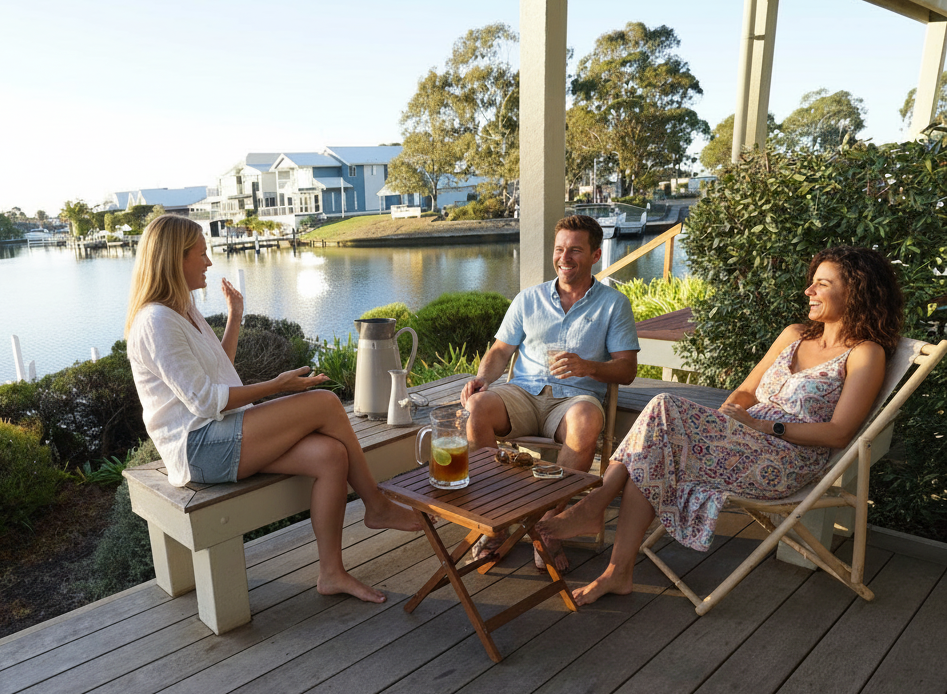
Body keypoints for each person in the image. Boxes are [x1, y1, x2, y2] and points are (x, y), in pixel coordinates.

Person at [540, 245, 905, 606]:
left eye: (822, 284)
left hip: (788, 460)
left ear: (856, 292)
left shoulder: (864, 354)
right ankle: (616, 571)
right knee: (657, 445)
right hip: (742, 439)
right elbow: (746, 391)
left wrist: (764, 429)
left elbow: (840, 432)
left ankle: (597, 505)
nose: (809, 290)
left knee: (664, 410)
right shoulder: (795, 335)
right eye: (812, 282)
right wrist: (728, 416)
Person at [125, 215, 423, 604]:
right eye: (201, 254)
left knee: (331, 456)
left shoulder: (183, 310)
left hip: (221, 432)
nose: (208, 262)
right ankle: (378, 506)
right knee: (326, 402)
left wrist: (235, 316)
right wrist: (279, 386)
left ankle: (331, 573)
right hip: (197, 448)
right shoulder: (156, 321)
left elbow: (221, 374)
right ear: (174, 259)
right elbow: (204, 401)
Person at [460, 214, 639, 569]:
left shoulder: (613, 304)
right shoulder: (529, 299)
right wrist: (482, 379)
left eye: (575, 250)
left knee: (587, 419)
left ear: (595, 255)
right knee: (477, 407)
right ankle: (497, 520)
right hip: (523, 393)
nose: (564, 257)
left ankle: (549, 526)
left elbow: (627, 370)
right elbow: (499, 352)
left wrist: (588, 367)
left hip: (575, 399)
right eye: (559, 249)